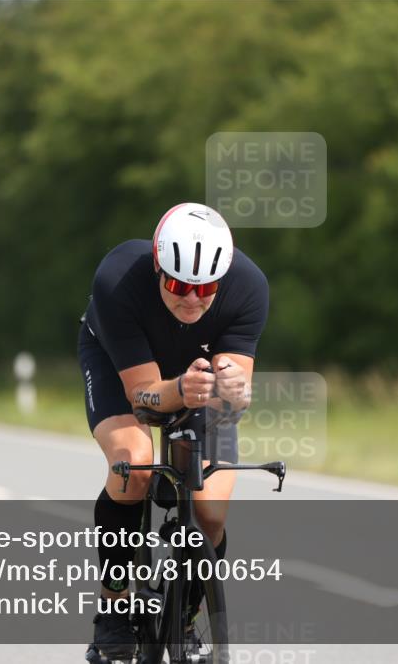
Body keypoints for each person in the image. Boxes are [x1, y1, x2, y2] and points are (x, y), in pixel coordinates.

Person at [78, 202, 268, 660]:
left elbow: (236, 397)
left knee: (210, 512)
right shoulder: (119, 277)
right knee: (135, 468)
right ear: (159, 269)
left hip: (196, 382)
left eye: (205, 289)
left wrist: (231, 386)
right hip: (123, 365)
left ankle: (186, 616)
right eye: (180, 285)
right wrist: (181, 387)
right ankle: (114, 604)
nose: (192, 299)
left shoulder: (249, 287)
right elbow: (143, 395)